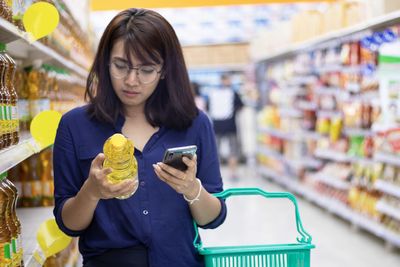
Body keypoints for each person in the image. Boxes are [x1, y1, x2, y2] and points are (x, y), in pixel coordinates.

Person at [53, 8, 226, 267]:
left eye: (146, 70)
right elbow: (68, 224)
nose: (131, 80)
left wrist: (192, 189)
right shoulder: (74, 126)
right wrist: (92, 192)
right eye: (121, 66)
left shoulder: (195, 124)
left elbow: (213, 218)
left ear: (164, 70)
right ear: (105, 63)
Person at [208, 74, 244, 180]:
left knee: (215, 151)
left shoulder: (213, 93)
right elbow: (240, 106)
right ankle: (233, 173)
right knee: (233, 150)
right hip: (231, 126)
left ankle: (214, 175)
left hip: (217, 126)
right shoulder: (233, 93)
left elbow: (208, 108)